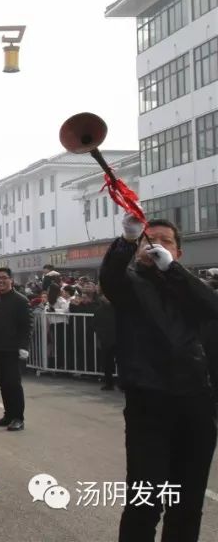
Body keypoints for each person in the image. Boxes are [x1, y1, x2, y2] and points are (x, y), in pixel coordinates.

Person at [100, 216, 218, 542]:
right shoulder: (129, 284)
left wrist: (173, 272)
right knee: (145, 501)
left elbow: (212, 307)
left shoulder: (190, 287)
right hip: (149, 403)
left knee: (187, 503)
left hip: (196, 403)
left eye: (166, 241)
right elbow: (110, 277)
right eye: (149, 240)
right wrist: (127, 238)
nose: (157, 246)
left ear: (178, 252)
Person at [0, 267, 32, 431]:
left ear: (11, 279)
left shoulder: (20, 300)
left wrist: (23, 347)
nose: (0, 281)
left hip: (13, 349)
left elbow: (27, 326)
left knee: (13, 384)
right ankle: (8, 415)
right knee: (3, 383)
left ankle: (18, 417)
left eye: (4, 278)